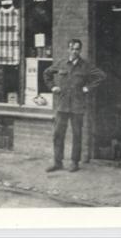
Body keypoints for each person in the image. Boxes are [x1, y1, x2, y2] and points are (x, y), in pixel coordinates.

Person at [43, 39, 105, 173]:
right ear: (68, 49)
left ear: (80, 50)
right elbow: (47, 74)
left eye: (77, 49)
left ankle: (74, 162)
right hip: (63, 105)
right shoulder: (61, 64)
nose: (74, 51)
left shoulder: (86, 66)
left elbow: (100, 76)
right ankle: (57, 162)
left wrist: (87, 88)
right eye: (72, 48)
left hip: (77, 105)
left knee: (77, 134)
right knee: (58, 134)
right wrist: (52, 87)